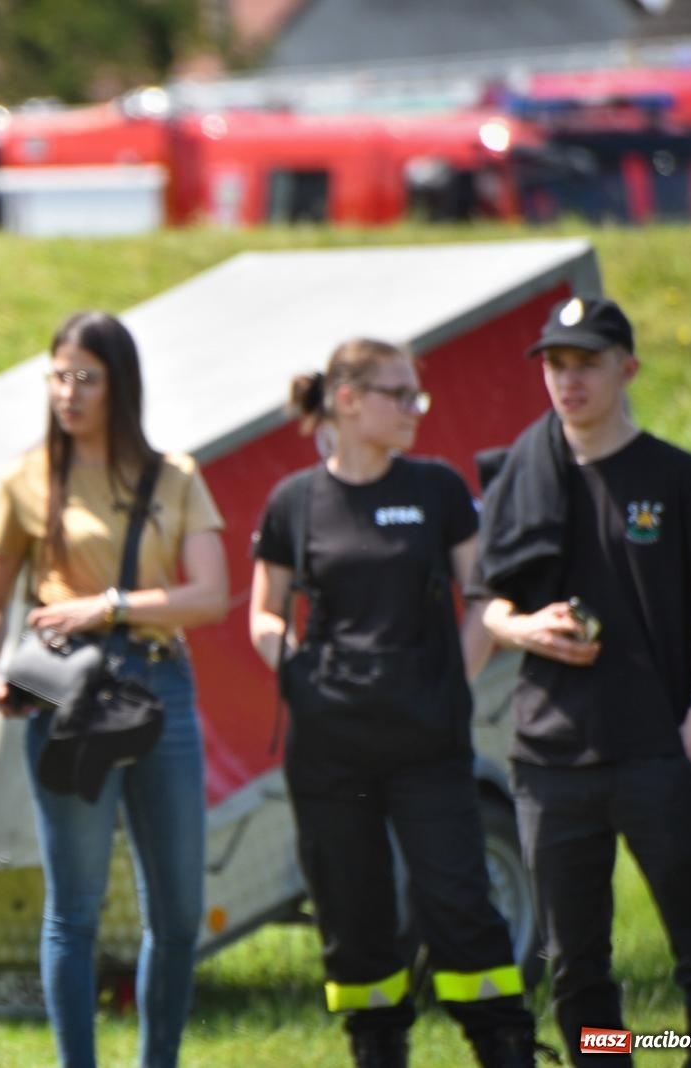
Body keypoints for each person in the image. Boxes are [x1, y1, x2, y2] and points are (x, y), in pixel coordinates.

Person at [247, 338, 538, 1068]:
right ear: (347, 401)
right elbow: (263, 613)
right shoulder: (295, 502)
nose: (415, 409)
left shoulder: (436, 490)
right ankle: (377, 1051)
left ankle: (504, 1047)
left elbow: (483, 596)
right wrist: (300, 675)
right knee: (354, 917)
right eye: (399, 395)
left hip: (428, 746)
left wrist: (457, 680)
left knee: (460, 906)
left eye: (418, 395)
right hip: (330, 752)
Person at [478, 296, 691, 1067]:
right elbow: (490, 607)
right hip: (550, 761)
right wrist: (524, 628)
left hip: (658, 745)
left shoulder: (681, 477)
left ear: (626, 368)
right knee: (576, 968)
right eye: (556, 365)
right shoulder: (524, 475)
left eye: (586, 363)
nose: (568, 380)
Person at [0, 311, 229, 1068]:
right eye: (58, 376)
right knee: (73, 912)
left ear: (121, 384)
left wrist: (109, 605)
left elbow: (211, 595)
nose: (69, 393)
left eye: (87, 377)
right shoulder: (25, 477)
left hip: (159, 690)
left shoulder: (174, 474)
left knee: (178, 914)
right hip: (66, 695)